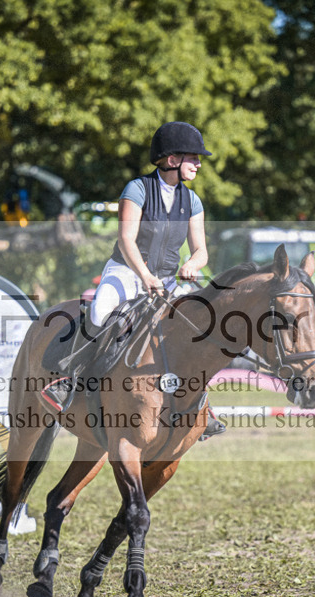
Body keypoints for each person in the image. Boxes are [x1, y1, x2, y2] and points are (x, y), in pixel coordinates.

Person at [44, 121, 226, 439]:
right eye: (193, 158)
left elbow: (201, 251)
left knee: (196, 325)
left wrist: (192, 264)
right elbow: (127, 240)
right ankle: (68, 383)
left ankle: (202, 405)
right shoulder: (138, 189)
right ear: (172, 160)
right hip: (127, 271)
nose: (198, 163)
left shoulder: (193, 201)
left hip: (169, 279)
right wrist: (145, 276)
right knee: (101, 309)